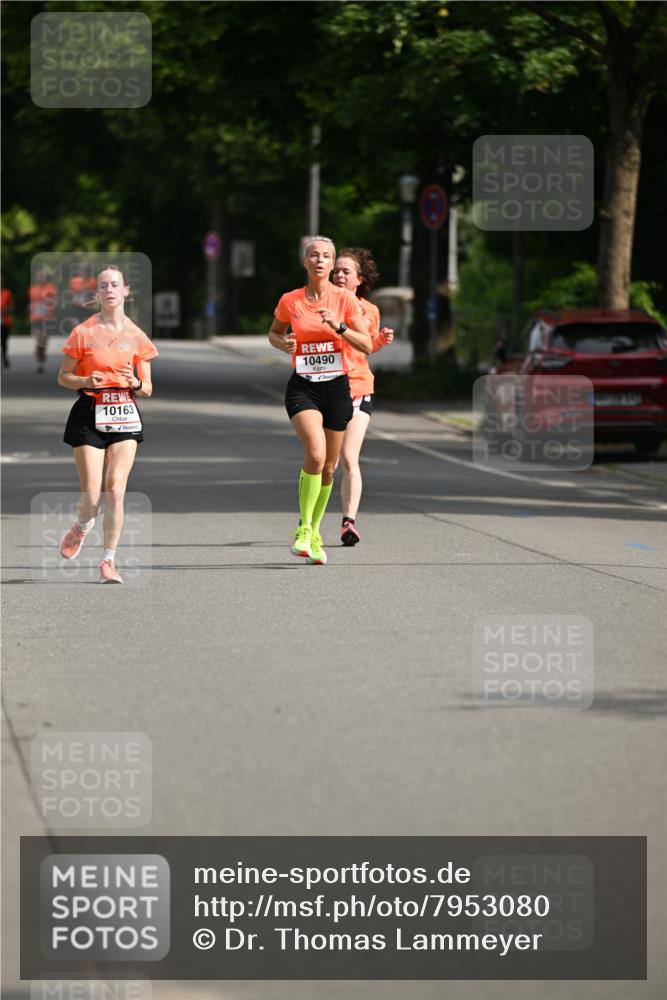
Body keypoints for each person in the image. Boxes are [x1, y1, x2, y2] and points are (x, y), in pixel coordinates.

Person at [268, 236, 372, 565]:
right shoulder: (291, 300)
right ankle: (302, 530)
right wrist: (283, 343)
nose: (320, 260)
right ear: (305, 261)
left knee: (329, 467)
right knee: (315, 453)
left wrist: (339, 327)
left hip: (337, 387)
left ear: (331, 262)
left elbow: (366, 344)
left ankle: (314, 531)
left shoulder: (345, 300)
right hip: (304, 387)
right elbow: (274, 332)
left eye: (326, 256)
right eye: (314, 255)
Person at [57, 265, 158, 584]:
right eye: (104, 286)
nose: (110, 290)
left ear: (126, 290)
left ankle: (108, 561)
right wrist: (85, 379)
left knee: (115, 490)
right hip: (89, 412)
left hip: (124, 412)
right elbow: (63, 376)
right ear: (98, 293)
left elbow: (147, 388)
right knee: (92, 497)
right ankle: (82, 525)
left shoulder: (137, 335)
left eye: (115, 285)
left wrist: (135, 382)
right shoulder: (82, 332)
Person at [332, 247, 394, 545]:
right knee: (326, 463)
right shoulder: (322, 305)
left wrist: (378, 342)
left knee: (349, 458)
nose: (339, 275)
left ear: (360, 279)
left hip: (359, 388)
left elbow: (364, 347)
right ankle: (309, 521)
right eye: (336, 271)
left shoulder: (370, 311)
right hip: (327, 389)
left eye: (346, 271)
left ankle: (349, 523)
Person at [28, 268, 58, 372]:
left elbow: (55, 301)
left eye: (43, 276)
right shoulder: (32, 289)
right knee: (39, 339)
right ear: (36, 278)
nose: (41, 278)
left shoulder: (51, 288)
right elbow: (32, 302)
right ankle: (39, 363)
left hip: (48, 318)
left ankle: (42, 353)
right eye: (39, 276)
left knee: (44, 340)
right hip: (36, 318)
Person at [1, 281, 12, 369]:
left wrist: (6, 310)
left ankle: (4, 355)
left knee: (4, 341)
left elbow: (11, 306)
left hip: (4, 321)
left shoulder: (7, 293)